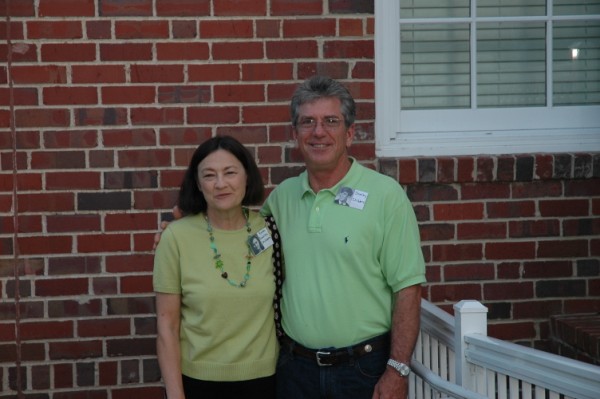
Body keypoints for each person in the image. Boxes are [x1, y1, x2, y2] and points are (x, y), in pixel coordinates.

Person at [261, 75, 426, 399]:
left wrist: (398, 369)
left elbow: (408, 287)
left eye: (330, 121)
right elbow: (242, 242)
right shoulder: (282, 199)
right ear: (295, 134)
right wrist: (185, 227)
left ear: (350, 133)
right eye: (307, 122)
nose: (318, 132)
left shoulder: (385, 196)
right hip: (296, 371)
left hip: (363, 371)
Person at [153, 135, 281, 399]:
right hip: (198, 382)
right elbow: (167, 324)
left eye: (230, 172)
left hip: (266, 381)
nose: (221, 184)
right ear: (198, 184)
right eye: (209, 175)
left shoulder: (271, 229)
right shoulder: (176, 237)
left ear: (247, 176)